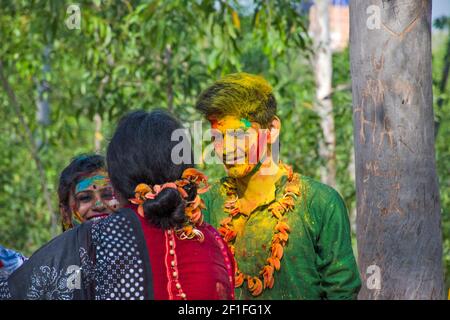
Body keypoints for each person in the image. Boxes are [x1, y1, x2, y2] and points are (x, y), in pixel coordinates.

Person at [0, 110, 234, 300]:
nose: (98, 205)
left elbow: (13, 291)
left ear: (117, 181)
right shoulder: (214, 241)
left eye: (106, 193)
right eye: (85, 198)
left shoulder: (96, 239)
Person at [196, 72, 361, 299]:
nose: (225, 148)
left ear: (272, 130)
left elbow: (341, 291)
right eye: (217, 137)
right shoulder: (206, 203)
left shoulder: (319, 203)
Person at [0, 154, 118, 281]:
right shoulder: (46, 276)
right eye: (85, 197)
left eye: (108, 195)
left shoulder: (138, 258)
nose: (99, 205)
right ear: (65, 214)